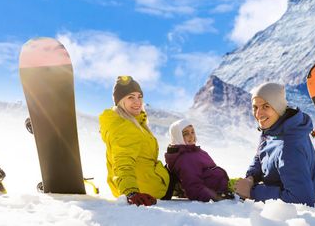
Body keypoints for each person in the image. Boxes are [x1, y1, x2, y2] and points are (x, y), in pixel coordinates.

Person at [234, 82, 315, 206]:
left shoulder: (288, 147)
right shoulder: (273, 129)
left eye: (266, 106)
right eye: (255, 107)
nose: (258, 114)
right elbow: (260, 156)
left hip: (313, 190)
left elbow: (302, 199)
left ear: (278, 107)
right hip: (301, 175)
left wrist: (252, 192)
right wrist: (251, 177)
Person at [99, 76, 171, 206]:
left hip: (143, 184)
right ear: (120, 101)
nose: (137, 101)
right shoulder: (125, 127)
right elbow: (123, 163)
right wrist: (131, 192)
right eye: (130, 97)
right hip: (145, 191)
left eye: (139, 96)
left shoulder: (134, 122)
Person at [165, 119, 232, 202]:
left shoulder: (195, 151)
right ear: (177, 136)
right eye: (186, 134)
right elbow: (194, 186)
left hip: (222, 189)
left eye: (192, 132)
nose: (191, 136)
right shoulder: (186, 159)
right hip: (215, 195)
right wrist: (217, 197)